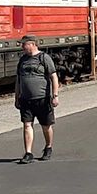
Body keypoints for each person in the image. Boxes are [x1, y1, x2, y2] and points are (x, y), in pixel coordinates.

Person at [14, 35, 59, 164]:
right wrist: (17, 97)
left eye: (24, 44)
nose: (22, 47)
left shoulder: (44, 58)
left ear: (32, 44)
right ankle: (28, 153)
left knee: (46, 126)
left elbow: (54, 77)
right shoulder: (22, 60)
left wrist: (55, 96)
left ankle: (48, 146)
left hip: (42, 98)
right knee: (27, 125)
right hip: (26, 99)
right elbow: (18, 80)